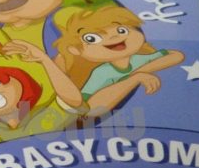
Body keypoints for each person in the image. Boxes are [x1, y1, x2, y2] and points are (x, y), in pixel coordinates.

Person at [53, 6, 185, 115]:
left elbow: (176, 55)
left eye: (121, 30)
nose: (114, 37)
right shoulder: (101, 73)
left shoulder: (139, 59)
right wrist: (134, 78)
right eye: (92, 38)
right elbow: (90, 107)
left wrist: (139, 71)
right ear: (74, 50)